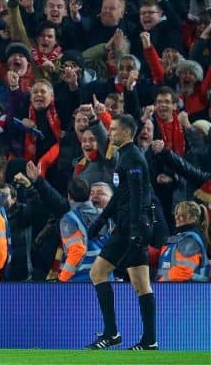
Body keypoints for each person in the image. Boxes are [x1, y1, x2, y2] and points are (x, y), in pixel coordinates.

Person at [86, 114, 157, 350]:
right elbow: (121, 194)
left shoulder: (133, 157)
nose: (110, 133)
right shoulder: (124, 156)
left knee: (98, 273)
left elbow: (137, 195)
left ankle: (111, 333)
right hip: (134, 224)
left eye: (114, 129)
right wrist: (101, 220)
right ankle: (149, 341)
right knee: (141, 283)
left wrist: (134, 228)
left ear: (127, 132)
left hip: (130, 225)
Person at [156, 201, 210, 282]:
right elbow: (166, 260)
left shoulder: (190, 240)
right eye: (176, 213)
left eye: (182, 215)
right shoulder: (179, 237)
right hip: (170, 288)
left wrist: (160, 284)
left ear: (193, 218)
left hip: (187, 291)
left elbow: (183, 271)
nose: (177, 217)